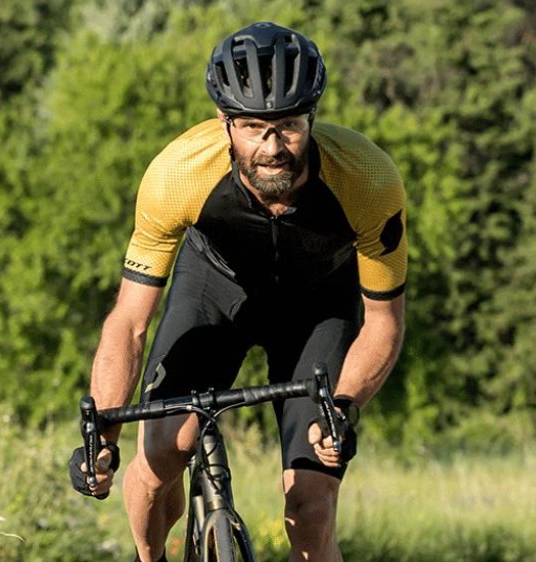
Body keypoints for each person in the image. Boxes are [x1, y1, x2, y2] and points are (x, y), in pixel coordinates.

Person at [67, 22, 406, 562]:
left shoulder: (367, 180)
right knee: (158, 459)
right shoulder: (177, 175)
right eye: (252, 127)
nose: (272, 148)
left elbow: (385, 322)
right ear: (224, 124)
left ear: (311, 119)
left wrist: (344, 406)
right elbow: (129, 322)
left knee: (311, 506)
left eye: (289, 126)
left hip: (316, 310)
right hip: (213, 293)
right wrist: (102, 434)